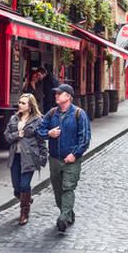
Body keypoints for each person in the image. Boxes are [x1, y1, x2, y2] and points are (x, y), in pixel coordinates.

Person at [37, 84, 91, 233]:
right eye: (56, 93)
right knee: (57, 190)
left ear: (68, 96)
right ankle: (68, 214)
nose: (56, 95)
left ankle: (62, 219)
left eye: (59, 94)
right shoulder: (52, 113)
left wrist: (74, 154)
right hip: (54, 159)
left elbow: (85, 138)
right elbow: (39, 130)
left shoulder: (79, 114)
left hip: (71, 160)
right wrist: (49, 133)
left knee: (68, 188)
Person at [4, 94, 47, 225]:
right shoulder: (13, 118)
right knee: (17, 187)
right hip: (15, 157)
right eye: (20, 102)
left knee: (24, 185)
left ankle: (24, 212)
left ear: (30, 106)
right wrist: (18, 134)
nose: (20, 105)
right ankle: (26, 198)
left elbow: (41, 140)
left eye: (23, 103)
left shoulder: (38, 120)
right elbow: (7, 136)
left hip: (29, 157)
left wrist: (43, 157)